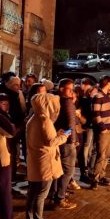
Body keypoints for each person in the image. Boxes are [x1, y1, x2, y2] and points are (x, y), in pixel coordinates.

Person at [25, 92, 69, 219]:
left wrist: (56, 134)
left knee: (32, 194)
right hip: (45, 163)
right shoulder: (45, 120)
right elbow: (51, 142)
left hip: (35, 162)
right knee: (41, 195)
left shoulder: (33, 118)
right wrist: (64, 136)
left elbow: (44, 138)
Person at [48, 79, 78, 209]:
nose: (72, 92)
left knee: (57, 169)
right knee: (68, 170)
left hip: (57, 137)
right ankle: (60, 197)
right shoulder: (67, 102)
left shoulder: (54, 100)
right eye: (69, 89)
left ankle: (55, 194)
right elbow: (71, 123)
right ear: (61, 89)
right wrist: (72, 139)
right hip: (66, 140)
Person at [90, 76, 110, 190]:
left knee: (107, 154)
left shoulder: (107, 97)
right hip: (103, 130)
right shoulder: (97, 96)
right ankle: (95, 178)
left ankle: (102, 175)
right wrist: (102, 128)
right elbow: (96, 114)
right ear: (107, 83)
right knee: (101, 154)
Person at [78, 78, 96, 184]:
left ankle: (86, 169)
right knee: (85, 148)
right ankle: (84, 169)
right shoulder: (84, 100)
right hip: (86, 126)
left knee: (88, 149)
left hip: (89, 126)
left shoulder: (88, 100)